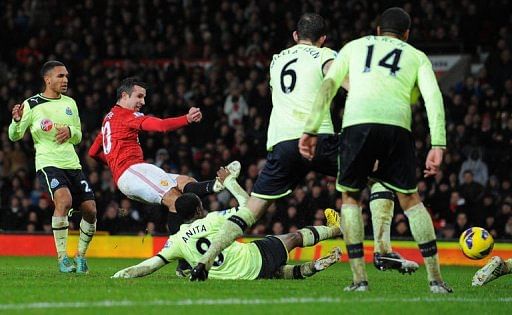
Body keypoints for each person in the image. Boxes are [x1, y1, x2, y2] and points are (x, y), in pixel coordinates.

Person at [190, 13, 416, 281]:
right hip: (318, 139)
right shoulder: (324, 55)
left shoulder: (276, 60)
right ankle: (383, 250)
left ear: (296, 36)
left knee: (251, 210)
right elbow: (346, 84)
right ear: (323, 39)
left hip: (281, 145)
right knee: (383, 175)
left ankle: (204, 261)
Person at [299, 7, 452, 293]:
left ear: (378, 30)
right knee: (410, 199)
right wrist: (438, 145)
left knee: (350, 197)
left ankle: (359, 281)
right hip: (397, 125)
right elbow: (433, 98)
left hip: (357, 124)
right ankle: (436, 281)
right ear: (406, 34)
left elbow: (329, 87)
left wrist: (310, 129)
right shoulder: (417, 56)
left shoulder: (353, 47)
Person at [112, 166, 342, 280]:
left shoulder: (175, 242)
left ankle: (311, 268)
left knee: (278, 273)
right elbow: (246, 205)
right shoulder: (213, 219)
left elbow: (149, 266)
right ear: (200, 208)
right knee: (292, 238)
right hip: (253, 258)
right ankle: (335, 229)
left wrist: (120, 275)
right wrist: (230, 182)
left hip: (240, 278)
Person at [88, 77, 235, 213]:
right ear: (125, 96)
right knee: (176, 199)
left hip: (131, 174)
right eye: (139, 96)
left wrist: (114, 164)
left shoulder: (109, 119)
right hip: (131, 172)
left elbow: (93, 152)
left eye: (144, 97)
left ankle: (214, 186)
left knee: (187, 182)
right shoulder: (126, 115)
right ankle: (181, 238)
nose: (143, 102)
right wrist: (187, 118)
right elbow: (161, 126)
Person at [9, 60, 97, 273]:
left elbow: (78, 135)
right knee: (64, 200)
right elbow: (15, 135)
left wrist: (70, 131)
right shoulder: (31, 104)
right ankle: (62, 258)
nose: (65, 79)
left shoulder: (70, 103)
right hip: (48, 162)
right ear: (47, 79)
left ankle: (81, 257)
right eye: (60, 76)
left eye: (66, 76)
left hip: (72, 164)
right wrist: (16, 120)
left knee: (91, 210)